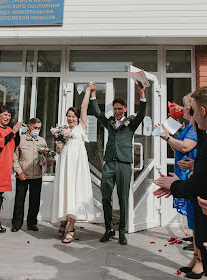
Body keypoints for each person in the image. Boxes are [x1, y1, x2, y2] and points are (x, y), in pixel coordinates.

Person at [154, 86, 207, 279]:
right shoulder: (192, 128)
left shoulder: (197, 130)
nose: (184, 110)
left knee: (197, 221)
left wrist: (167, 137)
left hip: (195, 181)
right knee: (195, 224)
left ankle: (200, 261)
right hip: (192, 175)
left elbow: (186, 146)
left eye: (187, 107)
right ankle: (196, 258)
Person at [89, 81, 146, 245]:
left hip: (124, 164)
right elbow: (98, 113)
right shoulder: (109, 122)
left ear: (125, 109)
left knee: (123, 198)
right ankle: (108, 229)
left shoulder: (131, 123)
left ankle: (122, 232)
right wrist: (93, 93)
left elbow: (142, 113)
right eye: (115, 109)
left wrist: (141, 93)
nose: (118, 111)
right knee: (105, 196)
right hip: (109, 164)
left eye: (120, 109)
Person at [51, 84, 94, 243]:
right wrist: (58, 148)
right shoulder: (62, 130)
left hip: (77, 166)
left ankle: (71, 226)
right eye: (68, 116)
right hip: (64, 166)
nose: (70, 118)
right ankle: (63, 220)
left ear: (77, 118)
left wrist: (88, 89)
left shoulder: (81, 127)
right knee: (64, 190)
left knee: (75, 192)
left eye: (72, 116)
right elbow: (58, 152)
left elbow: (84, 106)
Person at [0, 106, 22, 236]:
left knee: (0, 192)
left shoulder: (9, 129)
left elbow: (16, 143)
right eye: (4, 114)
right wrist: (12, 132)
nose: (7, 117)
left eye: (9, 115)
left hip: (6, 164)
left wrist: (17, 131)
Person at [11, 118, 48, 232]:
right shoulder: (21, 140)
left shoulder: (42, 141)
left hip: (37, 176)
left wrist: (47, 162)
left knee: (35, 201)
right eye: (35, 128)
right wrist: (19, 172)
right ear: (28, 127)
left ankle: (32, 223)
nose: (37, 130)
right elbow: (14, 157)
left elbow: (45, 159)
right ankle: (16, 224)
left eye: (39, 128)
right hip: (23, 175)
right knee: (19, 200)